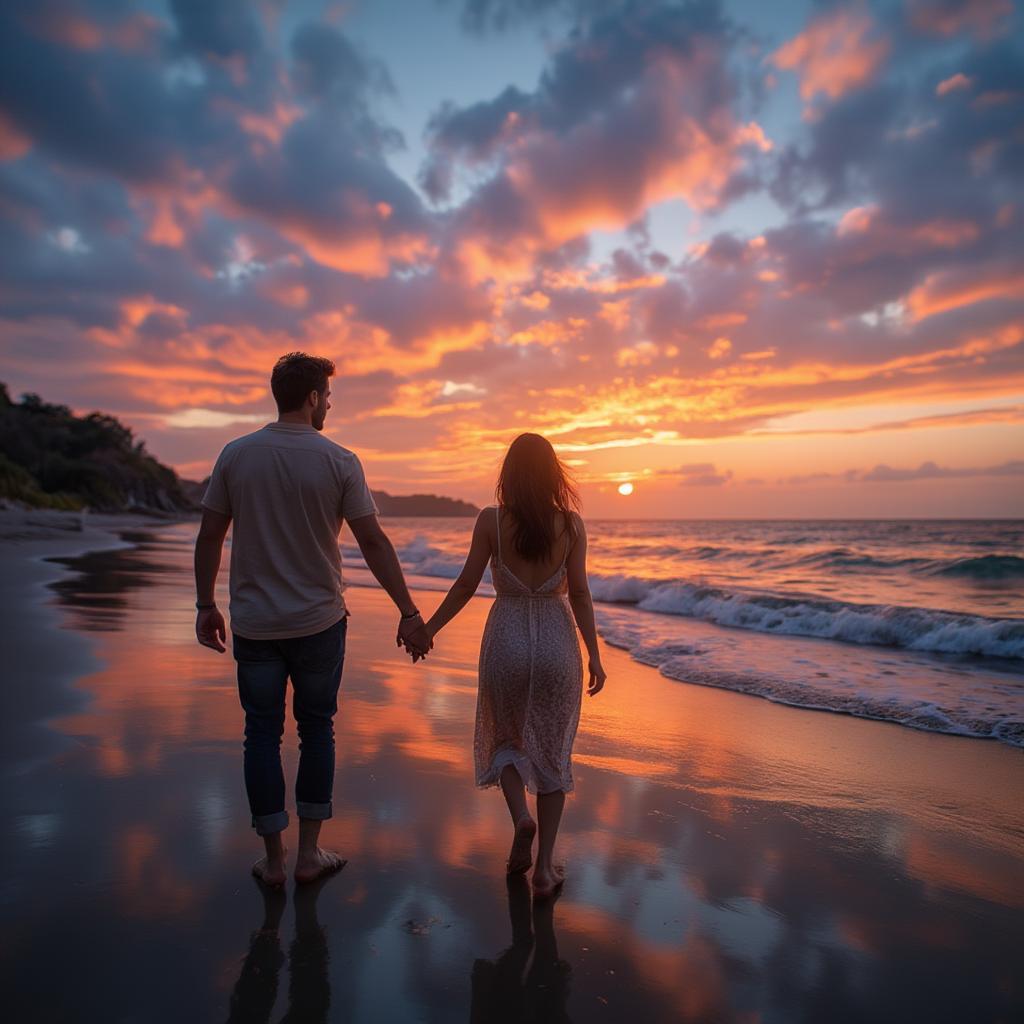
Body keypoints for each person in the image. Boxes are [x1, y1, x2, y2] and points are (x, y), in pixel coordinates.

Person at [194, 352, 431, 886]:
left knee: (261, 732)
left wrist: (205, 604)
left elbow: (210, 535)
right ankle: (308, 856)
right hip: (320, 621)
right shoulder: (340, 460)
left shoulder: (236, 455)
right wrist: (409, 613)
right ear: (312, 398)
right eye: (328, 396)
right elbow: (372, 540)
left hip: (255, 623)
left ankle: (274, 862)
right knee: (316, 729)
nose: (329, 405)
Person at [418, 433, 606, 898]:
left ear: (508, 474)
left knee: (504, 737)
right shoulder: (573, 525)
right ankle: (544, 869)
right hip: (557, 643)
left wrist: (429, 629)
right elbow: (580, 593)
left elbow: (465, 586)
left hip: (506, 638)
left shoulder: (490, 521)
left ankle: (520, 818)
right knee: (553, 752)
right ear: (553, 474)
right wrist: (596, 655)